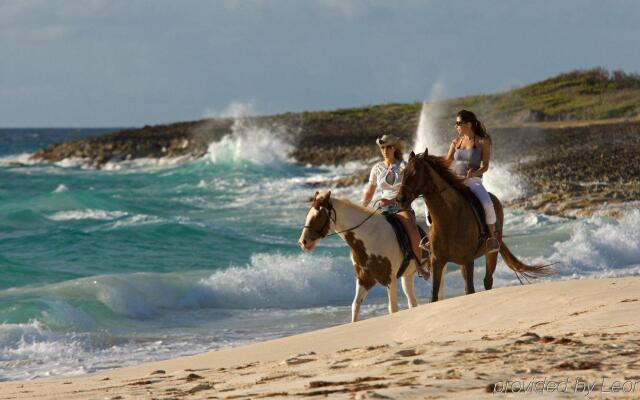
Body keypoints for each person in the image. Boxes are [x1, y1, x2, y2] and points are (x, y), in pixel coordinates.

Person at [361, 134, 429, 275]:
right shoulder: (377, 168)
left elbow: (405, 190)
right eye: (382, 147)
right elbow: (370, 191)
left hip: (401, 206)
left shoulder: (404, 166)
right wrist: (363, 207)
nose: (385, 150)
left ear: (395, 148)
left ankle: (418, 265)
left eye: (388, 147)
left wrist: (391, 201)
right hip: (382, 206)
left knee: (411, 227)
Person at [444, 109, 500, 253]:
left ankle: (491, 237)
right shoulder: (455, 142)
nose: (456, 126)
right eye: (455, 123)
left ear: (468, 124)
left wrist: (475, 173)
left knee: (487, 204)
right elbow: (446, 162)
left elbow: (485, 166)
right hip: (455, 181)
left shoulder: (483, 141)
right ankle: (432, 235)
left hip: (473, 180)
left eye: (458, 123)